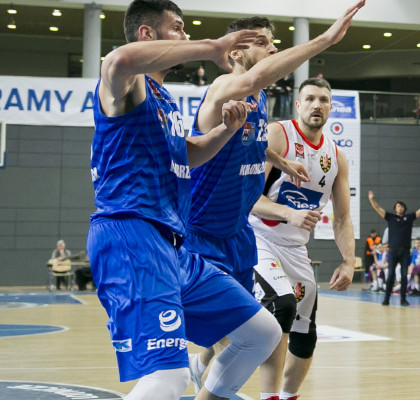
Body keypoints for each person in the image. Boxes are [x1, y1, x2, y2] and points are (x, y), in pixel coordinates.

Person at [88, 1, 279, 399]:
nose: (185, 36)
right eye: (177, 28)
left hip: (173, 246)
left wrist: (226, 132)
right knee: (168, 379)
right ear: (147, 33)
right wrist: (212, 47)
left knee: (262, 334)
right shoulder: (129, 83)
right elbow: (118, 58)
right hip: (132, 235)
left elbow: (188, 153)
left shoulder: (162, 97)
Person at [183, 6, 363, 396]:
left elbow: (254, 142)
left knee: (256, 331)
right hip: (204, 235)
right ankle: (195, 373)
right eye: (261, 43)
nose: (270, 50)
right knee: (263, 320)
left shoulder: (259, 99)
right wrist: (325, 40)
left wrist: (281, 161)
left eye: (272, 42)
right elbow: (260, 75)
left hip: (237, 239)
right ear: (235, 53)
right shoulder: (223, 89)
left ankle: (200, 366)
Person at [249, 78, 358, 400]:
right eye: (310, 98)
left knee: (304, 334)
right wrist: (287, 212)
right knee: (281, 306)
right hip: (258, 236)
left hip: (296, 248)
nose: (317, 105)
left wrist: (349, 262)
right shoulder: (279, 135)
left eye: (323, 99)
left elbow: (341, 218)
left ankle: (287, 395)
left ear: (331, 107)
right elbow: (245, 197)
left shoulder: (336, 157)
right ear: (298, 105)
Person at [368, 192, 420, 306]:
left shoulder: (409, 217)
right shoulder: (390, 217)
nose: (400, 208)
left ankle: (403, 298)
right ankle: (386, 298)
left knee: (403, 275)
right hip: (393, 251)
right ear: (395, 208)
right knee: (391, 274)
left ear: (404, 208)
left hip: (405, 251)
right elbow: (378, 209)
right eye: (398, 206)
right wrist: (371, 199)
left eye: (401, 206)